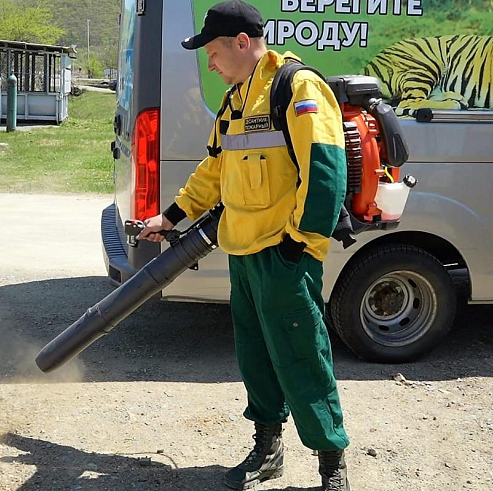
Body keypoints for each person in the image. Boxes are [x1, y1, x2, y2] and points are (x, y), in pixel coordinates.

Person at [137, 1, 351, 489]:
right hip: (244, 254)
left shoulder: (296, 88)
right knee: (255, 356)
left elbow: (324, 172)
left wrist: (299, 246)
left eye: (213, 52)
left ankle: (331, 463)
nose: (209, 64)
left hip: (284, 257)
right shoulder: (235, 101)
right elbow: (214, 170)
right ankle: (267, 450)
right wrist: (169, 217)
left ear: (241, 43)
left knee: (302, 356)